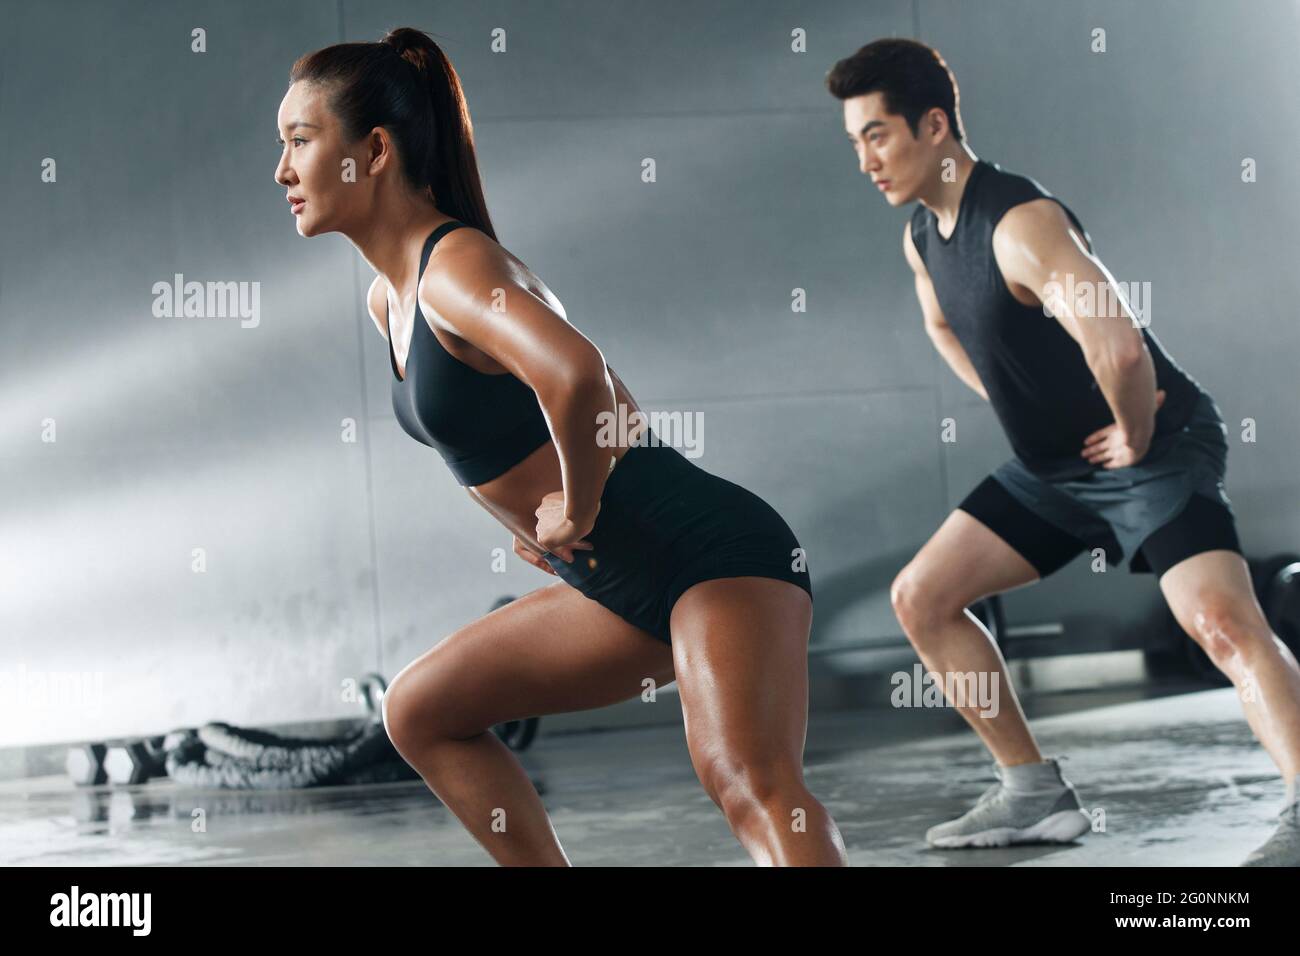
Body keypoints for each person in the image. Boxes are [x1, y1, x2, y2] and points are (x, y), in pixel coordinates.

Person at [274, 27, 847, 866]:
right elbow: (525, 419)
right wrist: (534, 520)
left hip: (710, 556)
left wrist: (579, 503)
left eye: (300, 141)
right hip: (614, 576)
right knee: (421, 711)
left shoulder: (454, 269)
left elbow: (578, 373)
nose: (283, 171)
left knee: (749, 783)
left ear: (375, 150)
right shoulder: (388, 299)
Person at [826, 37, 1300, 865]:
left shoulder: (1022, 223)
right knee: (923, 598)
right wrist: (1027, 414)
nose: (865, 160)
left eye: (877, 135)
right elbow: (945, 327)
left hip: (1154, 450)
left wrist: (1137, 433)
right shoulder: (922, 238)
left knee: (1222, 623)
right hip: (1056, 469)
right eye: (854, 141)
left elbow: (1119, 349)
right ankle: (1033, 793)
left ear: (933, 125)